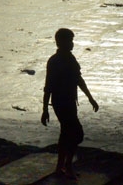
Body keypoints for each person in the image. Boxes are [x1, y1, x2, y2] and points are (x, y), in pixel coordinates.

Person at [41, 28, 99, 179]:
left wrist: (90, 97)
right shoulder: (55, 61)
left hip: (69, 102)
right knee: (76, 133)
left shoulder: (70, 59)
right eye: (70, 40)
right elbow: (48, 87)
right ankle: (66, 166)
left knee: (66, 133)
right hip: (61, 102)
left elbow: (79, 80)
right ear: (62, 42)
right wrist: (45, 110)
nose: (72, 43)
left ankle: (62, 166)